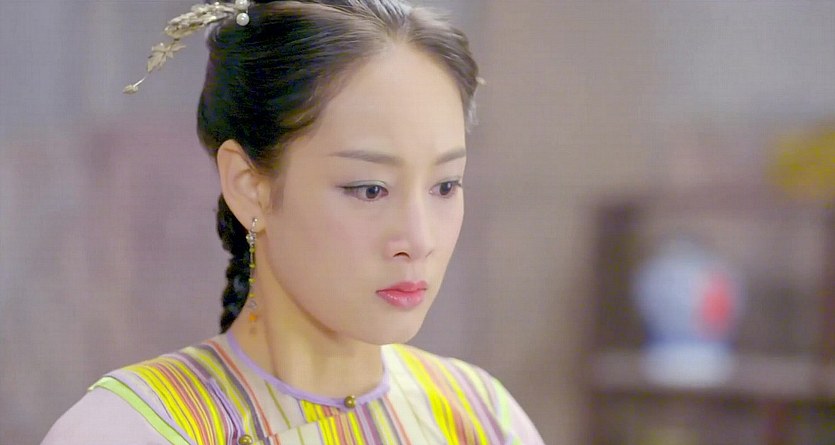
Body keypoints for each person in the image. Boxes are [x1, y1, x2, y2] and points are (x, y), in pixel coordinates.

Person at [43, 1, 545, 443]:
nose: (419, 239)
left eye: (445, 186)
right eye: (370, 189)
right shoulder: (135, 430)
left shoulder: (480, 417)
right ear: (249, 185)